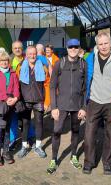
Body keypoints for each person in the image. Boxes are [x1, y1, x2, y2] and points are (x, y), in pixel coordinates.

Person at [83, 32, 111, 175]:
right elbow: (86, 78)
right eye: (100, 44)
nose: (103, 46)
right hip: (94, 101)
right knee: (89, 134)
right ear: (97, 45)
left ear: (110, 43)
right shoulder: (91, 58)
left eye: (106, 43)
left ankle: (107, 163)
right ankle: (89, 162)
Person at [46, 39, 86, 174]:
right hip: (61, 105)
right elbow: (52, 86)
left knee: (76, 131)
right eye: (71, 47)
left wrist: (84, 108)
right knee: (56, 131)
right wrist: (54, 107)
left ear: (79, 48)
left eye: (76, 47)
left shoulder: (83, 64)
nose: (73, 49)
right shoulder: (60, 63)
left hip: (77, 105)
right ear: (67, 48)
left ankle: (74, 156)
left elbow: (86, 88)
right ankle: (53, 159)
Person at [16, 46, 50, 158]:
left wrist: (47, 101)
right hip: (25, 100)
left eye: (34, 53)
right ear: (26, 55)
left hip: (39, 100)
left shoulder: (43, 66)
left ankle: (38, 146)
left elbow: (47, 84)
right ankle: (24, 146)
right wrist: (18, 99)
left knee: (39, 122)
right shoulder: (20, 66)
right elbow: (16, 84)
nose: (32, 56)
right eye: (30, 54)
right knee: (25, 123)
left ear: (37, 54)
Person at [0, 51, 20, 166]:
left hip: (10, 105)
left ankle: (6, 152)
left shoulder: (13, 73)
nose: (4, 63)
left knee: (7, 129)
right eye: (2, 61)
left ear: (9, 61)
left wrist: (16, 98)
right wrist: (6, 98)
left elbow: (16, 87)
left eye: (6, 61)